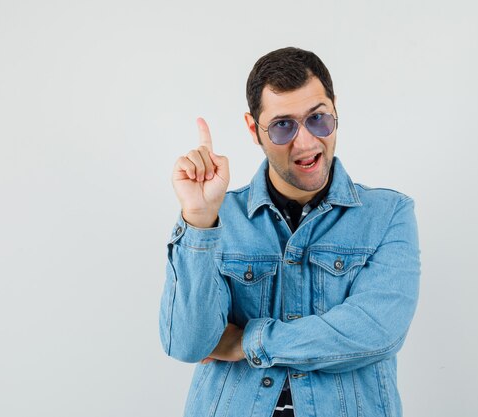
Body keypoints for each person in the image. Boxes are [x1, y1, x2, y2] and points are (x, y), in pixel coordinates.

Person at [159, 47, 420, 417]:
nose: (307, 143)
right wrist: (199, 219)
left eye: (318, 119)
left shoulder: (388, 214)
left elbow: (376, 330)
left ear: (335, 110)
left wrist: (247, 341)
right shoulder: (220, 217)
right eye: (283, 125)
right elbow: (187, 343)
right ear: (254, 129)